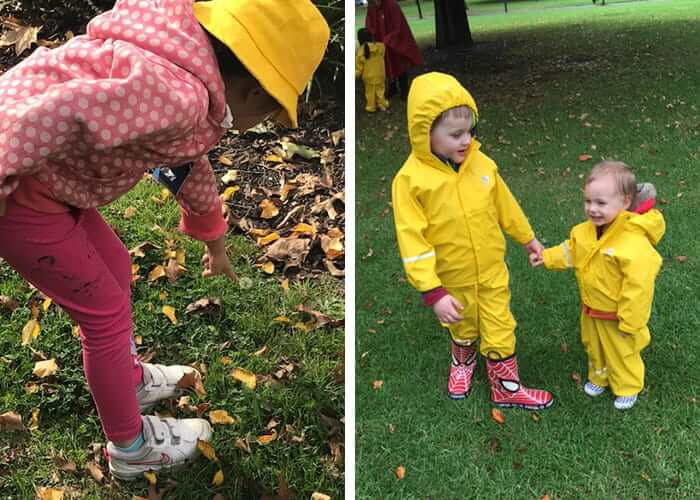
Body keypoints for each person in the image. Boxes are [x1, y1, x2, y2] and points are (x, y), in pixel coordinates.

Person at [0, 0, 329, 479]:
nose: (267, 121)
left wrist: (213, 235)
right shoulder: (175, 97)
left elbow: (185, 164)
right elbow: (49, 114)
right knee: (105, 314)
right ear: (257, 91)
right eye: (273, 111)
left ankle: (127, 379)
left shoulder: (175, 55)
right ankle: (130, 447)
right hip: (20, 195)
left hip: (49, 182)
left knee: (114, 264)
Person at [391, 72, 553, 410]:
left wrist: (528, 239)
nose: (466, 141)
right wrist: (433, 291)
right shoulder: (410, 181)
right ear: (425, 133)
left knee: (499, 323)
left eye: (469, 132)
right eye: (455, 135)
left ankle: (506, 387)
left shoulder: (481, 164)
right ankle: (462, 361)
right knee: (462, 325)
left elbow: (504, 205)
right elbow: (412, 240)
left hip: (492, 269)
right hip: (452, 278)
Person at [532, 161, 665, 410]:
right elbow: (571, 251)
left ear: (625, 203)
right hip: (591, 307)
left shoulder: (633, 242)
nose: (592, 209)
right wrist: (547, 256)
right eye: (588, 201)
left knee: (621, 351)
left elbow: (639, 287)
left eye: (601, 203)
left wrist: (631, 321)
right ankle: (599, 376)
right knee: (594, 345)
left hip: (617, 314)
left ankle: (627, 386)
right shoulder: (584, 232)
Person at [365, 0, 423, 100]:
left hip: (395, 41)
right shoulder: (372, 7)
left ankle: (404, 88)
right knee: (385, 65)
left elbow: (398, 26)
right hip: (381, 40)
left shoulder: (392, 5)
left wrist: (388, 40)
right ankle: (392, 86)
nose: (374, 3)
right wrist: (372, 35)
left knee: (399, 64)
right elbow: (370, 22)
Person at [355, 28, 388, 113]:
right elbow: (383, 54)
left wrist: (356, 75)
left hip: (368, 77)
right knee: (380, 90)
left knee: (370, 93)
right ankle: (381, 105)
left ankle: (371, 107)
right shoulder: (381, 47)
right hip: (380, 74)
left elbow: (359, 67)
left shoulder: (360, 51)